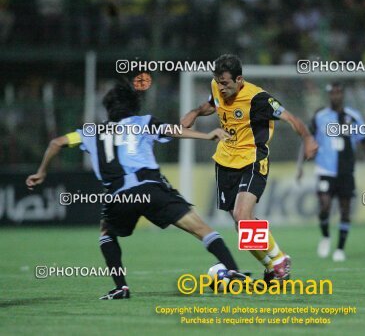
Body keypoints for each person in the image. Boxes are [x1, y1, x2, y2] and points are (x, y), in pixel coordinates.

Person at [26, 83, 241, 299]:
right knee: (201, 229)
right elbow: (173, 130)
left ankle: (121, 287)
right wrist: (207, 135)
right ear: (133, 105)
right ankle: (233, 271)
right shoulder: (143, 122)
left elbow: (56, 143)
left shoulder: (92, 131)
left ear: (108, 108)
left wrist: (41, 172)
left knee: (107, 233)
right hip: (150, 187)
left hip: (119, 195)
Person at [181, 54, 318, 282]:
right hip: (225, 160)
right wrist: (195, 113)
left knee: (242, 215)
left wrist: (307, 139)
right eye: (218, 81)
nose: (221, 87)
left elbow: (290, 118)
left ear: (240, 80)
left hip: (253, 158)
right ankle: (271, 267)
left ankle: (279, 260)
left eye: (226, 83)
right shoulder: (217, 86)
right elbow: (211, 104)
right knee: (240, 225)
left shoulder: (258, 98)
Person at [297, 82, 365, 262]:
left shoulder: (353, 116)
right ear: (328, 95)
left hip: (346, 171)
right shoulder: (320, 116)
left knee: (345, 211)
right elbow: (307, 139)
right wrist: (300, 166)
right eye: (332, 93)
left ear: (342, 95)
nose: (335, 96)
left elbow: (364, 142)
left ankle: (340, 249)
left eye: (338, 93)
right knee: (325, 206)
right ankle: (326, 235)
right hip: (325, 169)